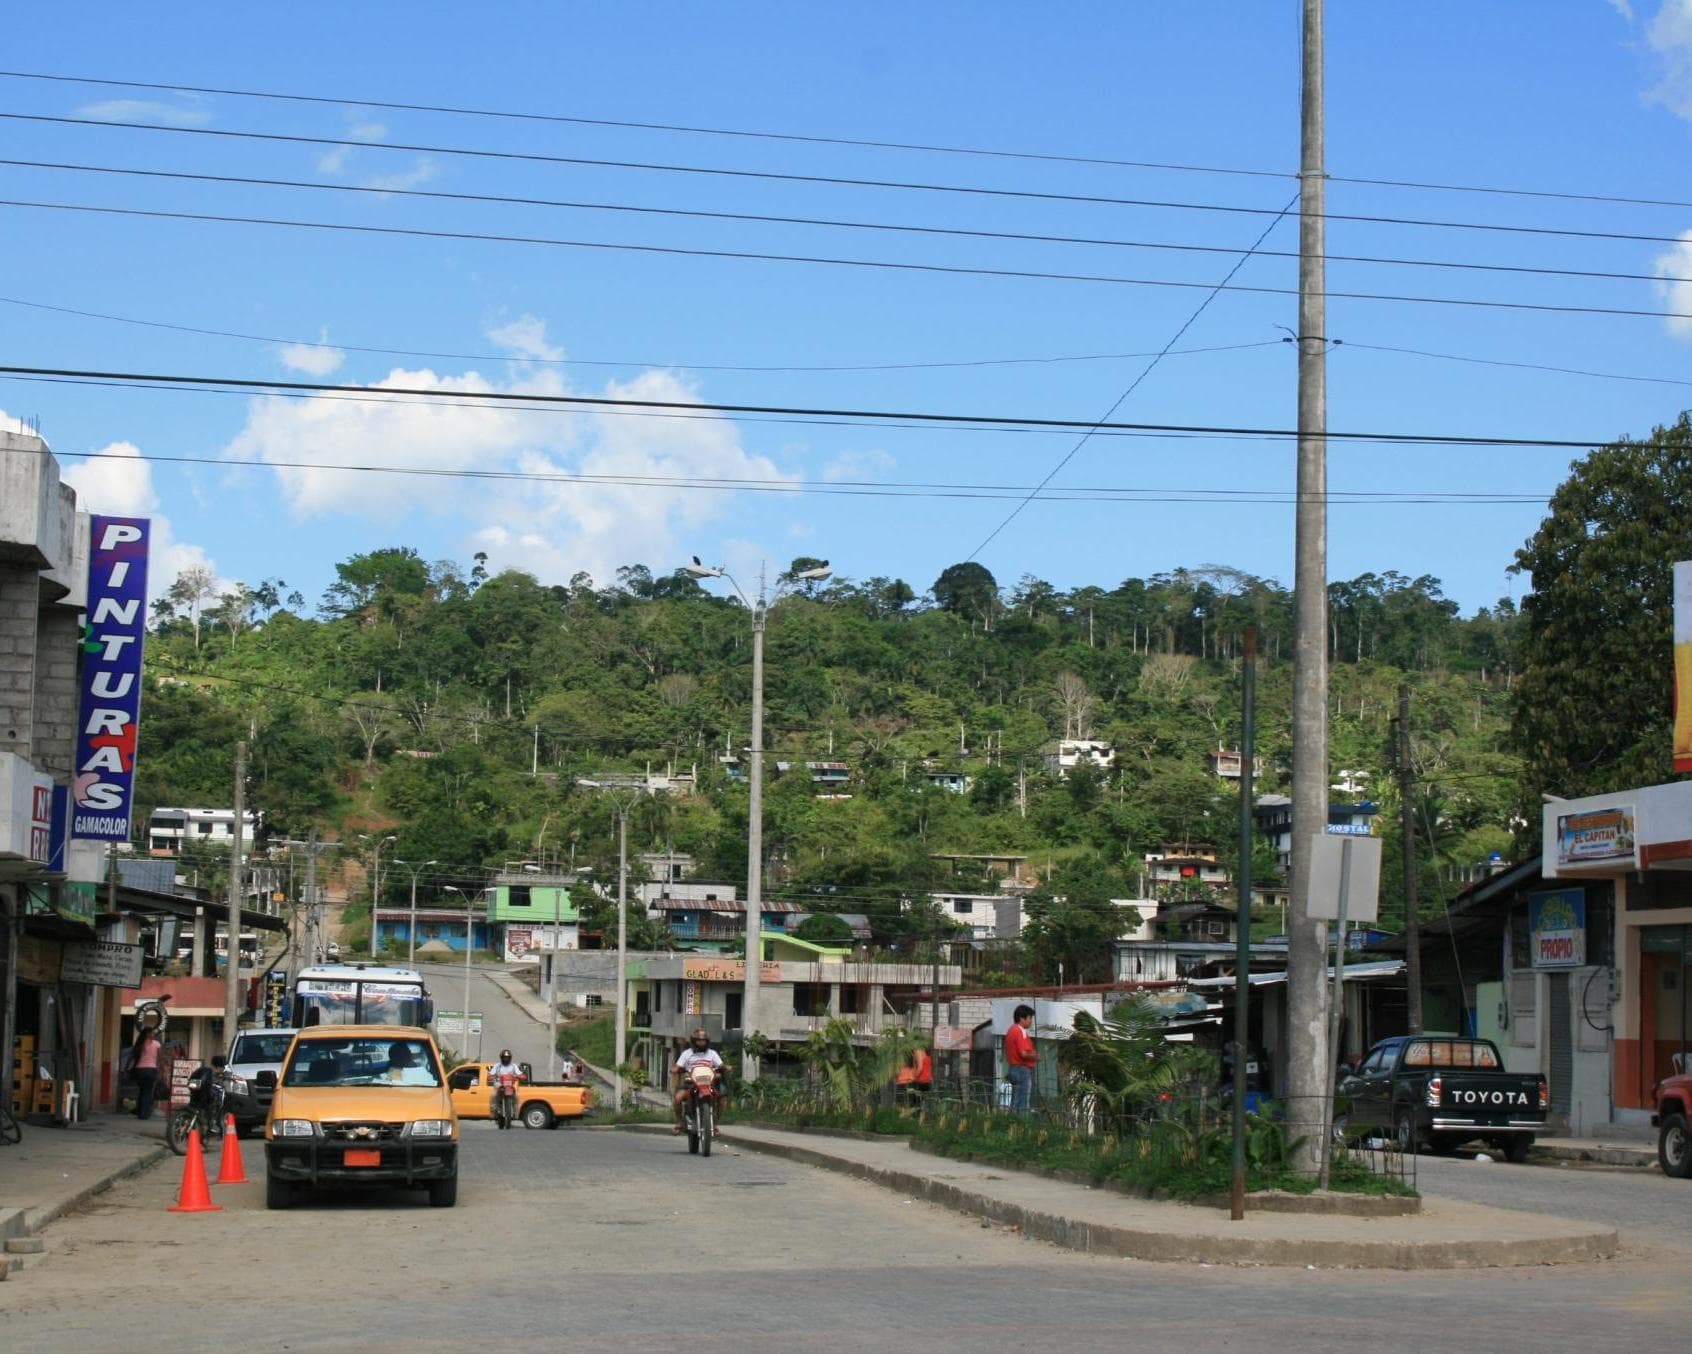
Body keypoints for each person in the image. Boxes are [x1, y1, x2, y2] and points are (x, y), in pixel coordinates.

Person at [671, 1027, 724, 1134]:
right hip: (690, 1083)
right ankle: (679, 1122)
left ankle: (714, 1124)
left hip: (708, 1083)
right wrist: (675, 1069)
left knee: (722, 1100)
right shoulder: (686, 1053)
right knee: (677, 1098)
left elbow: (721, 1065)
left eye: (703, 1040)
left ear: (707, 1041)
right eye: (698, 1040)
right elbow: (678, 1066)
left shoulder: (712, 1053)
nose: (701, 1042)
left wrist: (725, 1067)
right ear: (693, 1041)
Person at [1004, 1005, 1038, 1114]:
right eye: (1029, 1018)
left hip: (1013, 1068)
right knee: (1023, 1102)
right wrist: (1036, 1056)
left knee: (1015, 1100)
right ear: (1022, 1018)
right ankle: (1021, 1122)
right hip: (1022, 1069)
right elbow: (1024, 1053)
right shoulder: (1020, 1031)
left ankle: (1013, 1122)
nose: (1031, 1021)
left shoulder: (1011, 1030)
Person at [131, 1025, 163, 1121]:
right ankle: (145, 1114)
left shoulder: (139, 1044)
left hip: (140, 1070)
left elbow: (133, 1057)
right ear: (148, 1034)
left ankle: (140, 1112)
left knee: (141, 1091)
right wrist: (160, 1069)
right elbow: (160, 1058)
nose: (154, 1034)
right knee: (148, 1092)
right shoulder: (156, 1044)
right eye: (152, 1033)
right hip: (151, 1070)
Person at [490, 1048, 524, 1128]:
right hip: (499, 1083)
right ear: (501, 1058)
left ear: (510, 1058)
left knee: (517, 1096)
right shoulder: (497, 1066)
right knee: (493, 1095)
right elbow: (491, 1074)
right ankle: (494, 1110)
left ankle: (515, 1112)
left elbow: (519, 1074)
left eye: (508, 1057)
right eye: (505, 1057)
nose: (506, 1059)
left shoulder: (513, 1066)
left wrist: (521, 1076)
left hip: (510, 1084)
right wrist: (491, 1076)